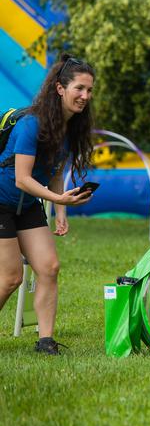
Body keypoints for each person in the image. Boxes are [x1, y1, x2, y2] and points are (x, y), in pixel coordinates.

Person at [0, 54, 97, 355]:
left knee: (49, 267)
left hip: (27, 205)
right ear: (60, 89)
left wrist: (62, 212)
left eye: (89, 90)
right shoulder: (32, 125)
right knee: (11, 276)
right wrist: (57, 199)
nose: (85, 96)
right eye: (79, 88)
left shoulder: (68, 129)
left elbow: (54, 172)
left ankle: (45, 342)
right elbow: (22, 179)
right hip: (2, 202)